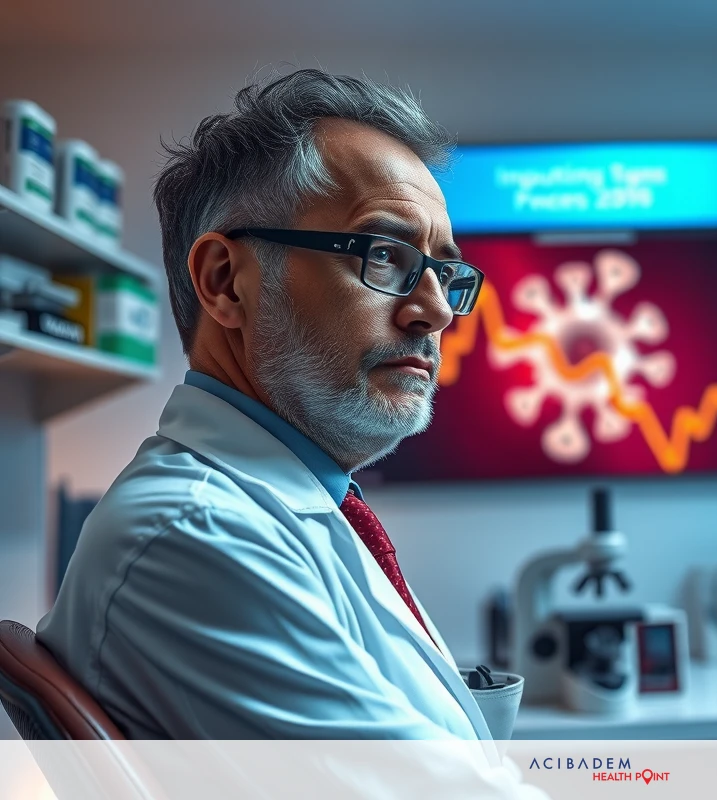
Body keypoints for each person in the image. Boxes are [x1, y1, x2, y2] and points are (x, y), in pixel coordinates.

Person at [36, 69, 516, 754]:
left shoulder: (300, 509)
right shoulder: (197, 536)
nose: (437, 309)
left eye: (447, 273)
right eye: (384, 254)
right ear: (225, 283)